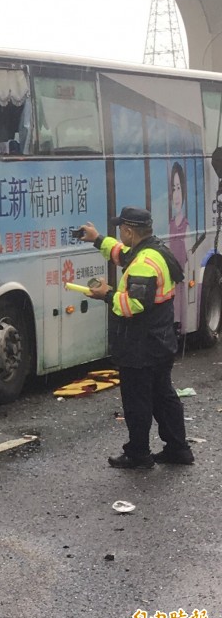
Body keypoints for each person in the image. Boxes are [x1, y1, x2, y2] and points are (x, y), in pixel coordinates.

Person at [78, 207, 194, 469]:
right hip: (160, 341)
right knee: (163, 396)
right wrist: (97, 239)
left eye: (121, 230)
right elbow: (122, 254)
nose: (120, 234)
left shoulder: (143, 263)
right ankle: (178, 448)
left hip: (142, 346)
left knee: (137, 401)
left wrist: (106, 294)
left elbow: (134, 305)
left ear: (129, 231)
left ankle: (139, 454)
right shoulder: (154, 251)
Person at [168, 161, 189, 333]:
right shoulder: (170, 226)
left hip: (180, 279)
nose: (176, 194)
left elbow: (188, 255)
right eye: (173, 189)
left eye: (179, 188)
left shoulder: (186, 226)